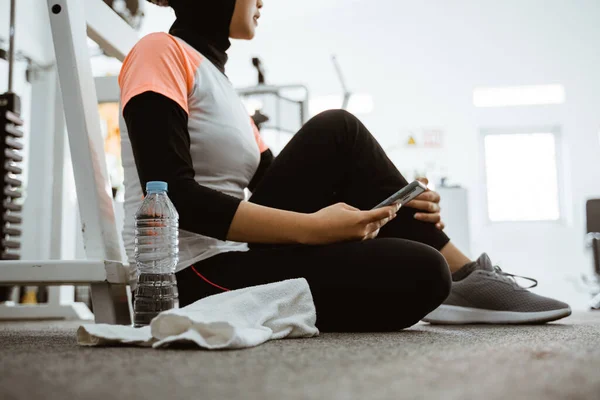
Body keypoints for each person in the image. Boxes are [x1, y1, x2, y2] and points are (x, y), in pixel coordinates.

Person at [119, 0, 571, 330]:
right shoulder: (158, 51)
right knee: (421, 272)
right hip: (188, 275)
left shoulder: (220, 85)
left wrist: (401, 204)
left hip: (236, 256)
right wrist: (318, 229)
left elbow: (316, 177)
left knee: (339, 135)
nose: (263, 2)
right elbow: (174, 195)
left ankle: (466, 274)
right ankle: (457, 275)